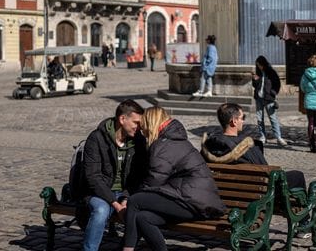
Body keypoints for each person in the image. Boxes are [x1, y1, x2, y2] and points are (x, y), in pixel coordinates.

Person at [122, 106, 226, 251]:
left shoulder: (164, 145)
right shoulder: (172, 139)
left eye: (143, 126)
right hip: (193, 200)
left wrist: (130, 197)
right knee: (143, 217)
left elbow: (154, 180)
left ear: (151, 123)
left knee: (135, 201)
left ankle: (127, 248)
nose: (141, 130)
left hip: (194, 202)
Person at [80, 100, 148, 251]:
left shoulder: (138, 141)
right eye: (136, 122)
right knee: (101, 211)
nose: (139, 127)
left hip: (125, 193)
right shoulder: (97, 138)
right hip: (98, 193)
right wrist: (115, 203)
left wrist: (126, 198)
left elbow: (139, 176)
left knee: (141, 213)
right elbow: (93, 177)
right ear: (122, 119)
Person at [202, 103, 307, 190]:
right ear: (234, 121)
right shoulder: (246, 146)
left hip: (223, 193)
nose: (243, 121)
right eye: (242, 118)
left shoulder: (208, 146)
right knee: (297, 175)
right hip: (256, 193)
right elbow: (266, 172)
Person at [252, 56, 287, 146]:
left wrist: (273, 92)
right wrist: (255, 80)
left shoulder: (271, 72)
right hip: (259, 98)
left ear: (263, 64)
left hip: (269, 98)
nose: (259, 67)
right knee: (260, 119)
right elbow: (255, 85)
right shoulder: (258, 73)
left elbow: (277, 84)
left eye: (260, 65)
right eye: (257, 65)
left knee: (273, 118)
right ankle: (262, 136)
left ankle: (278, 137)